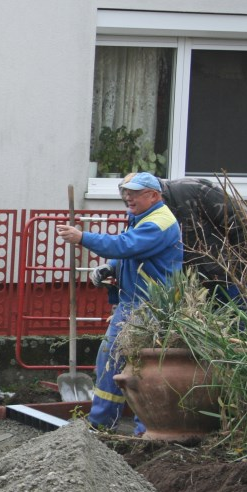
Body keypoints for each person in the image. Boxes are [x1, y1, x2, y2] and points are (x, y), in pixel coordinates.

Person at [56, 172, 182, 435]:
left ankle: (139, 430)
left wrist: (83, 238)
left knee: (136, 367)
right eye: (125, 191)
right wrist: (110, 268)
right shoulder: (142, 218)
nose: (128, 197)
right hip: (134, 303)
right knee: (111, 361)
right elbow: (130, 255)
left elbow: (125, 246)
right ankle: (104, 423)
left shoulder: (159, 222)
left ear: (154, 196)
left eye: (134, 193)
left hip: (149, 307)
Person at [157, 177, 247, 303]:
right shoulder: (142, 210)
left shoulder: (193, 190)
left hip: (231, 276)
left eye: (135, 194)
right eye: (127, 194)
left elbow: (240, 223)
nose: (129, 199)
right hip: (193, 285)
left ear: (152, 194)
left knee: (241, 319)